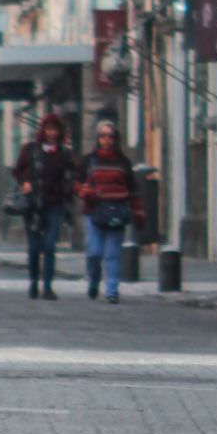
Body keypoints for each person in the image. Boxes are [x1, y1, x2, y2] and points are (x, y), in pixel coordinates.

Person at [11, 113, 75, 299]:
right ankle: (33, 282)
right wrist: (25, 182)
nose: (52, 133)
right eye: (49, 129)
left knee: (49, 246)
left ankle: (47, 285)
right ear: (43, 130)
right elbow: (17, 170)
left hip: (54, 204)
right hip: (33, 206)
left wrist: (66, 190)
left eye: (55, 129)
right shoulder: (30, 150)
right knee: (34, 248)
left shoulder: (64, 153)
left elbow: (71, 174)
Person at [77, 119, 139, 304]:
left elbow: (133, 188)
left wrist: (137, 210)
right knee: (94, 252)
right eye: (103, 135)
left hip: (116, 211)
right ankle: (94, 280)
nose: (107, 139)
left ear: (116, 139)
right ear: (98, 138)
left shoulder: (123, 162)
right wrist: (85, 191)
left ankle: (112, 289)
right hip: (95, 211)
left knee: (113, 253)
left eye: (110, 136)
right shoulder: (89, 160)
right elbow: (76, 182)